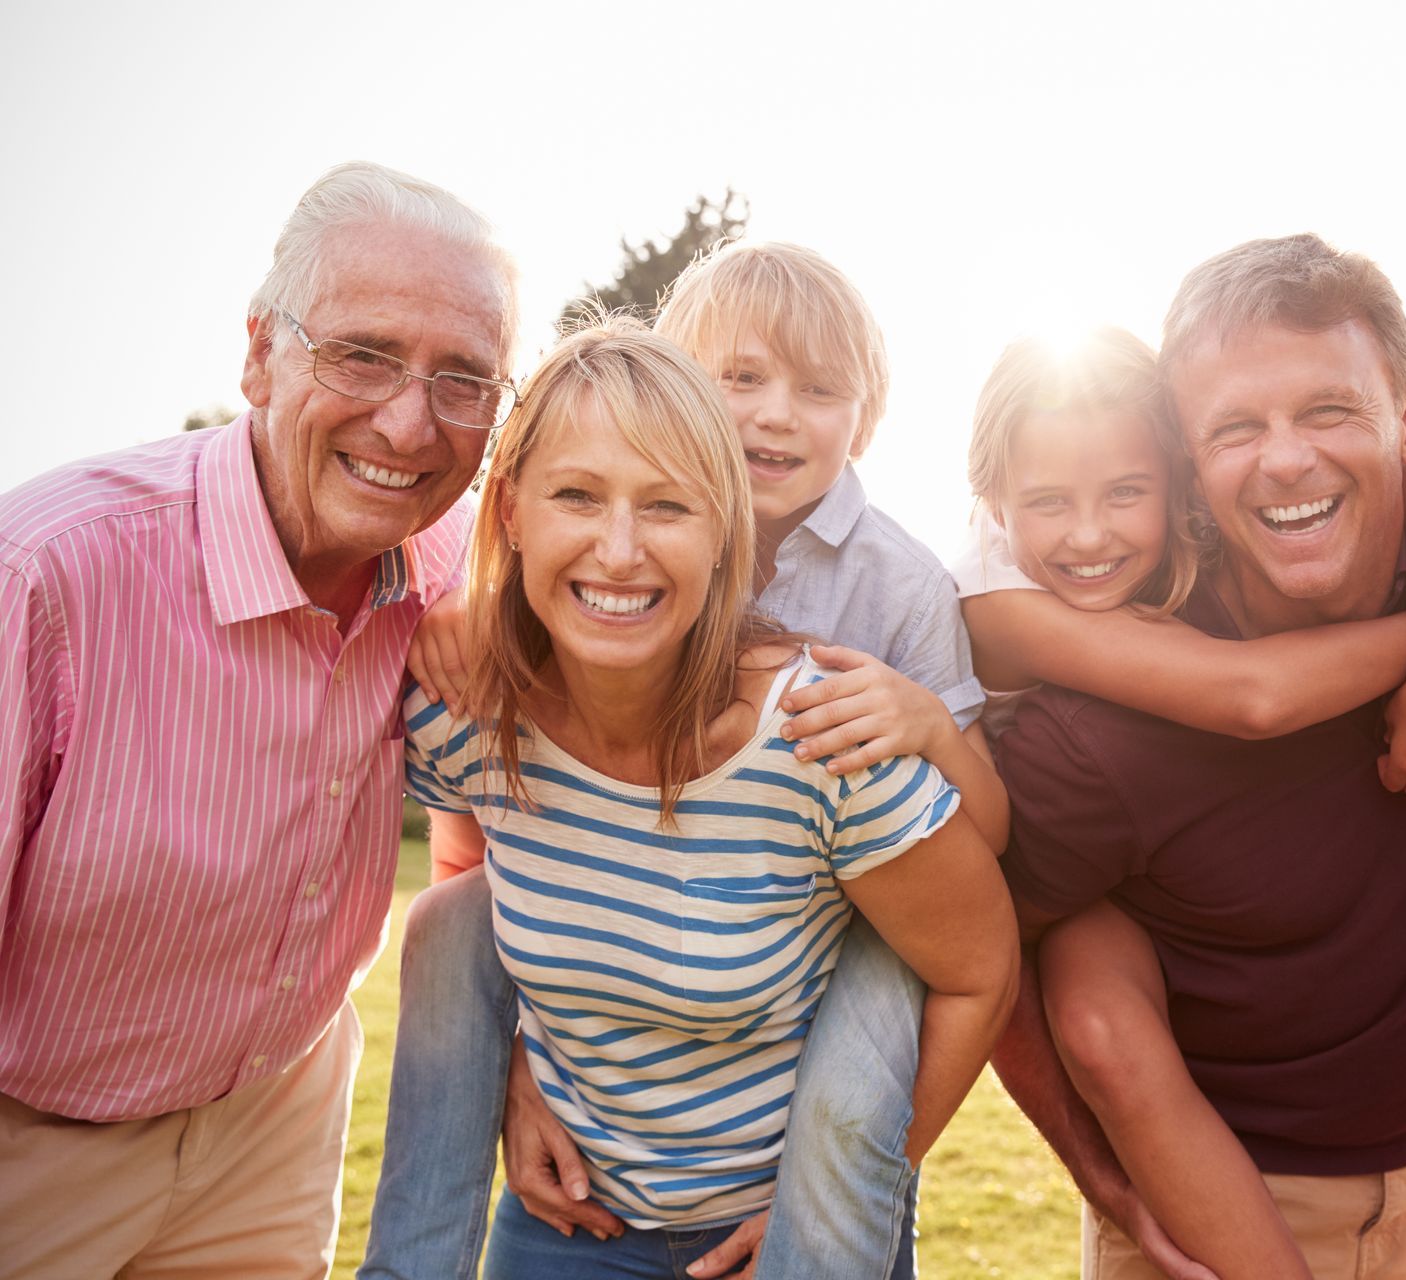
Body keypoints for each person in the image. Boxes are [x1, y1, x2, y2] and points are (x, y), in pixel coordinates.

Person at [363, 242, 1000, 1280]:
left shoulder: (885, 608)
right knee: (451, 921)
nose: (773, 416)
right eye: (738, 381)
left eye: (666, 505)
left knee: (865, 1049)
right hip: (605, 1160)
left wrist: (922, 723)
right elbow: (492, 840)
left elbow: (979, 900)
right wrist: (519, 1057)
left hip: (859, 908)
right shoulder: (505, 660)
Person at [991, 234, 1406, 1280]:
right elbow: (974, 950)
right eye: (1237, 427)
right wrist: (1098, 1166)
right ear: (1190, 465)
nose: (1287, 458)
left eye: (1329, 409)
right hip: (1214, 1211)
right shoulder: (1102, 723)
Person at [0, 161, 519, 1278]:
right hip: (29, 1145)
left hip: (274, 1121)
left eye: (465, 379)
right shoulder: (41, 574)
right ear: (258, 355)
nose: (410, 421)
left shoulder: (461, 570)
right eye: (363, 353)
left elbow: (500, 815)